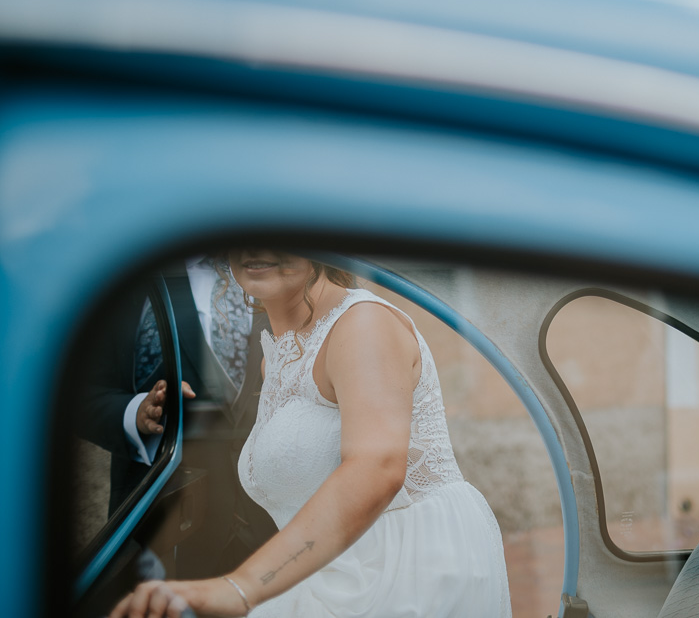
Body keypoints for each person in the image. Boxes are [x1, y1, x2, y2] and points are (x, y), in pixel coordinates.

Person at [108, 250, 511, 618]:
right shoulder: (278, 354)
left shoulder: (362, 324)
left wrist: (241, 585)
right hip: (330, 571)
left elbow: (378, 466)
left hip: (402, 570)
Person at [79, 258, 275, 577]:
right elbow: (80, 394)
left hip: (271, 532)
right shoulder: (116, 282)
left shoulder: (271, 268)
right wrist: (138, 413)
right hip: (165, 534)